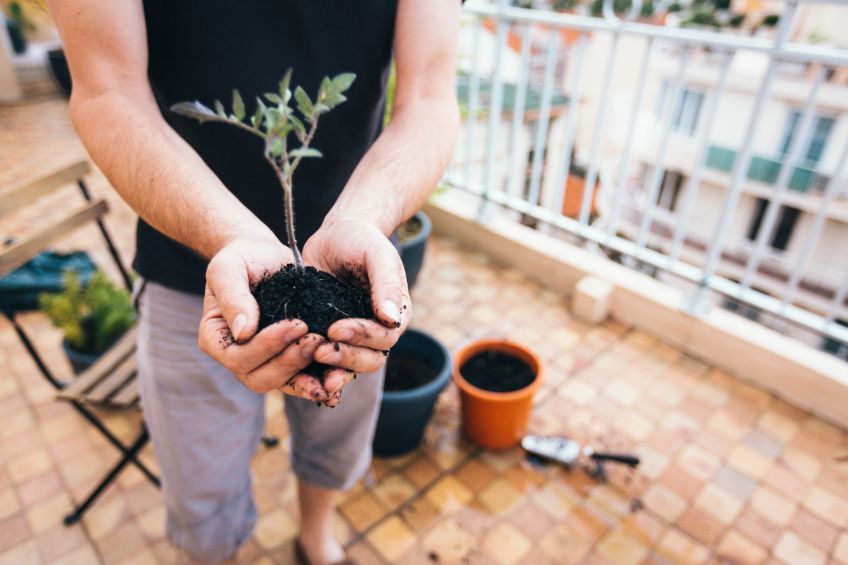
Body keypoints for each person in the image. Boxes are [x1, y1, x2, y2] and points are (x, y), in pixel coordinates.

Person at [46, 1, 460, 563]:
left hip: (348, 274)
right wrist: (231, 236)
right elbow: (106, 91)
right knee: (201, 482)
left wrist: (359, 221)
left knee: (335, 434)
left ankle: (315, 532)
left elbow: (429, 98)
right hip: (184, 271)